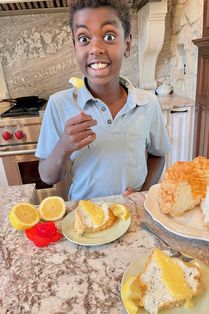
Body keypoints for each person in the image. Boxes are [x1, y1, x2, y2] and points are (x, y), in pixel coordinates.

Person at [35, 0, 171, 201]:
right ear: (75, 47)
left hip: (131, 212)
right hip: (84, 216)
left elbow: (158, 155)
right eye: (84, 38)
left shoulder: (148, 103)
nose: (95, 48)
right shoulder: (59, 104)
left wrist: (143, 193)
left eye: (109, 36)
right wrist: (64, 145)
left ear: (127, 43)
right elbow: (48, 177)